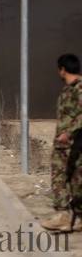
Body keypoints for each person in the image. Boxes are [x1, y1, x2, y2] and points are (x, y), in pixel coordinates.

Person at [41, 54, 82, 232]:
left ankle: (65, 216)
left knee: (68, 179)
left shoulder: (79, 89)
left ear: (62, 69)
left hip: (74, 143)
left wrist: (69, 132)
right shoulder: (68, 89)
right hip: (65, 144)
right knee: (69, 179)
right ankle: (73, 217)